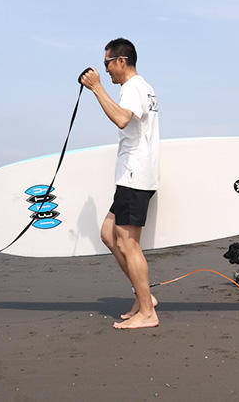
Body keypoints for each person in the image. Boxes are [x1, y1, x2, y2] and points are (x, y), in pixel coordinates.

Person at [80, 38, 160, 329]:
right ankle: (145, 298)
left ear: (121, 61)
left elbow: (122, 119)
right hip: (132, 176)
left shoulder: (134, 88)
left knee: (129, 244)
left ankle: (148, 312)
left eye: (107, 64)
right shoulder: (143, 88)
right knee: (107, 234)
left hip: (135, 176)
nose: (107, 70)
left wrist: (97, 88)